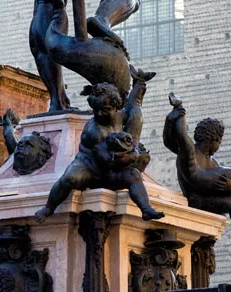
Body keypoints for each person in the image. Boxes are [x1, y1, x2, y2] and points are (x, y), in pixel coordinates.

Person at [34, 69, 164, 222]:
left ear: (115, 107)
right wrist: (132, 158)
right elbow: (107, 160)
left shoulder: (120, 116)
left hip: (109, 171)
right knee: (69, 178)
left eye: (105, 110)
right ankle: (48, 208)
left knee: (133, 176)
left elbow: (134, 104)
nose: (100, 114)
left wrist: (139, 83)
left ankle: (146, 209)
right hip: (90, 168)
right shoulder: (93, 131)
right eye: (96, 110)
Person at [163, 93, 231, 243]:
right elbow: (178, 136)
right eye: (219, 142)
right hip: (194, 201)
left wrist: (230, 186)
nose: (219, 146)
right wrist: (178, 112)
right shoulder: (189, 152)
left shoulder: (213, 163)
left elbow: (218, 185)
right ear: (214, 140)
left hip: (206, 198)